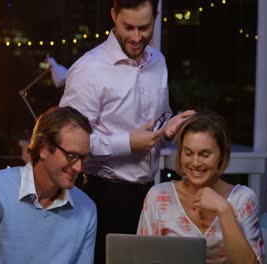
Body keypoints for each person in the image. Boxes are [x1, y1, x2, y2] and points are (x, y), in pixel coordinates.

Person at [59, 0, 194, 262]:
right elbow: (67, 142)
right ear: (113, 16)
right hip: (102, 196)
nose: (136, 37)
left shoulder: (158, 61)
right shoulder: (89, 70)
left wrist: (167, 128)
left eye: (144, 28)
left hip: (150, 196)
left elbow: (159, 115)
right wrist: (127, 143)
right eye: (128, 27)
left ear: (155, 17)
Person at [0, 106, 97, 263]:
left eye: (83, 158)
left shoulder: (86, 209)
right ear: (44, 148)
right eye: (71, 156)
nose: (79, 167)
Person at [137, 112, 263, 264]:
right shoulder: (158, 196)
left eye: (205, 154)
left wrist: (224, 210)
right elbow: (142, 258)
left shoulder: (243, 198)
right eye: (188, 153)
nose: (195, 163)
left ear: (222, 155)